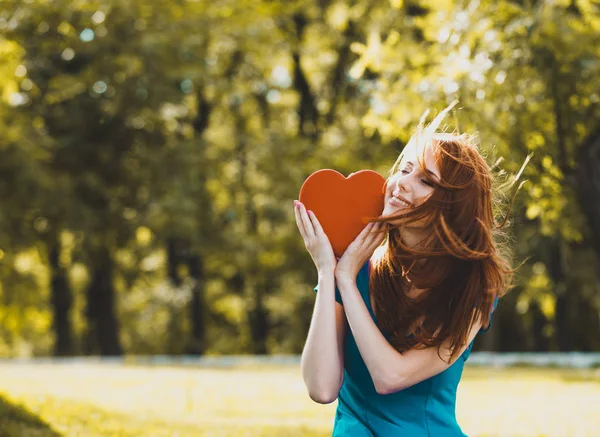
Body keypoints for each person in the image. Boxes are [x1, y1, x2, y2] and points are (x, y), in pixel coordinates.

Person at [293, 101, 516, 436]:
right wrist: (328, 272)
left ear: (453, 205)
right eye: (404, 169)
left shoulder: (476, 290)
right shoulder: (354, 268)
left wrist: (346, 281)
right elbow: (322, 389)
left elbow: (390, 377)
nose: (401, 184)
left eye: (426, 180)